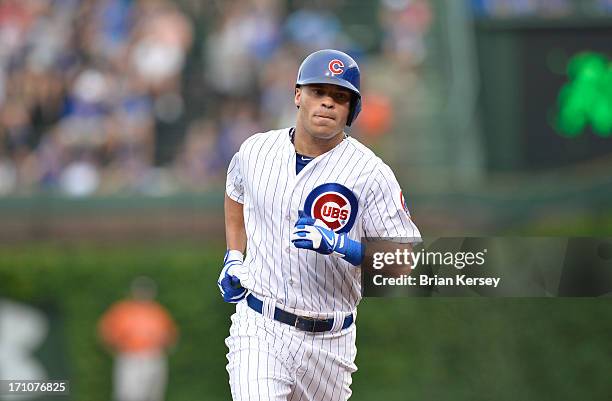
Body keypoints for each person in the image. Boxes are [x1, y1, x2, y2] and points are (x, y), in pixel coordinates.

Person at [218, 49, 421, 401]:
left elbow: (404, 261)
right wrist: (234, 255)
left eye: (339, 96)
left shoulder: (371, 173)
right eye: (318, 92)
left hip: (331, 341)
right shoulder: (256, 151)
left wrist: (342, 245)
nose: (327, 103)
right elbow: (235, 189)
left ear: (351, 110)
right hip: (261, 326)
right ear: (298, 95)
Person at [98, 276, 178, 401]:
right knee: (129, 395)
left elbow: (170, 335)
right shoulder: (123, 310)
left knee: (154, 394)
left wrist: (164, 344)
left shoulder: (158, 311)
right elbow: (107, 332)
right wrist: (118, 349)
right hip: (131, 357)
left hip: (154, 357)